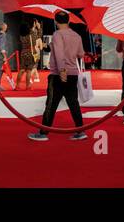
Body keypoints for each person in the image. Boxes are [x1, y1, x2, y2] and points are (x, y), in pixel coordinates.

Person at [29, 10, 88, 141]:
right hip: (73, 74)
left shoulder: (57, 34)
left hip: (58, 74)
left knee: (51, 103)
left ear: (56, 22)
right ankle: (80, 130)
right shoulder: (77, 36)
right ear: (68, 20)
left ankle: (43, 132)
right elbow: (81, 54)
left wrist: (62, 71)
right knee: (73, 103)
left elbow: (59, 53)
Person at [18, 24, 41, 90]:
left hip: (23, 52)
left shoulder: (21, 36)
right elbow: (38, 37)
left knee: (21, 70)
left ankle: (17, 85)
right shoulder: (31, 35)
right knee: (28, 71)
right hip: (30, 53)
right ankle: (28, 86)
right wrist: (38, 28)